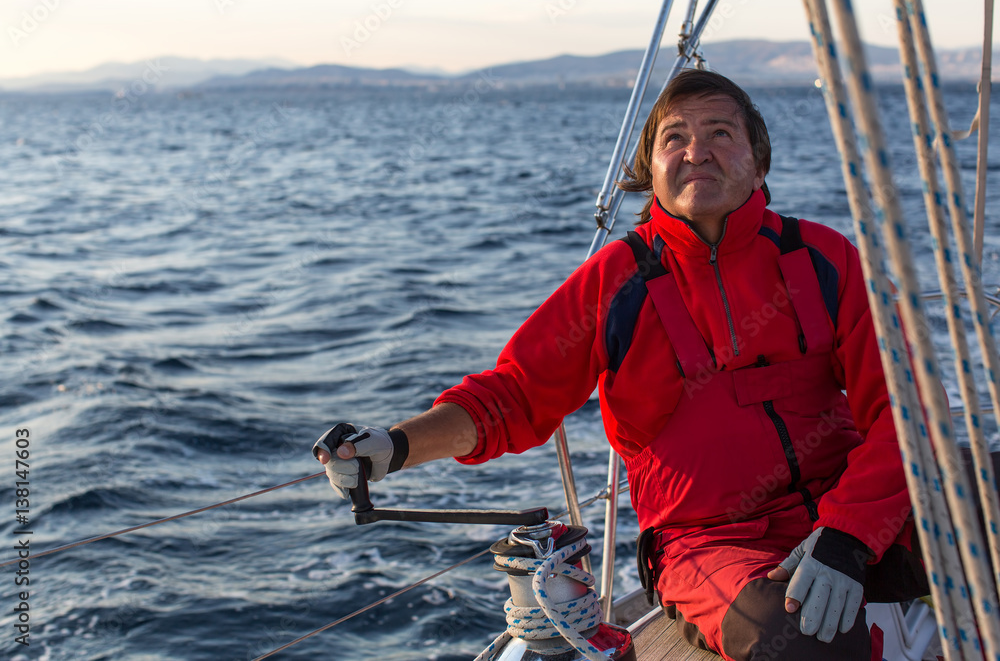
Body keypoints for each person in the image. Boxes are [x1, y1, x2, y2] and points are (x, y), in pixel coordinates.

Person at [313, 70, 929, 660]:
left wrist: (847, 535)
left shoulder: (823, 260)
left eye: (720, 132)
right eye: (674, 137)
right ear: (650, 171)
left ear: (758, 160)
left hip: (849, 510)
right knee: (801, 637)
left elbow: (905, 408)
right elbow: (515, 395)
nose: (697, 151)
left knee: (979, 506)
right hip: (710, 543)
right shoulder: (616, 282)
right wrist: (395, 446)